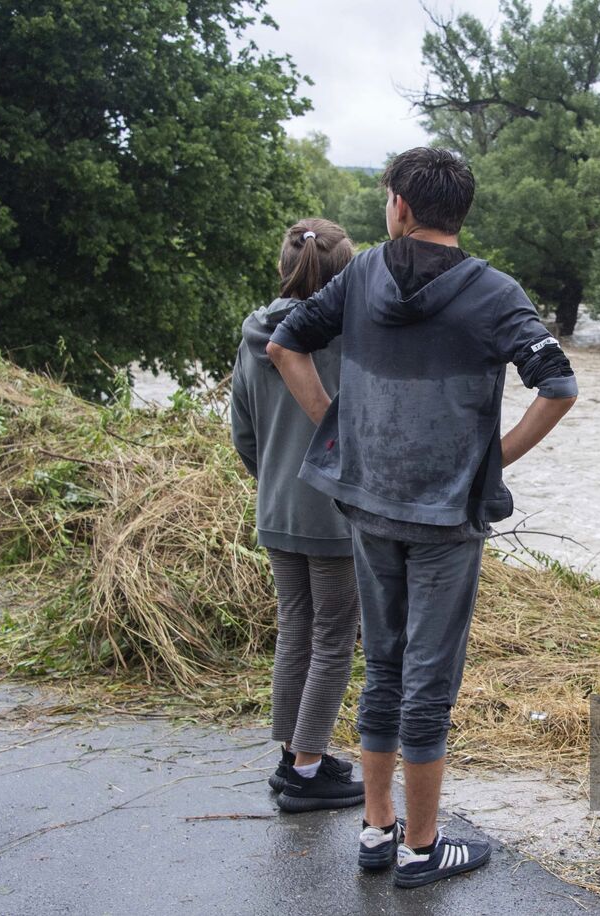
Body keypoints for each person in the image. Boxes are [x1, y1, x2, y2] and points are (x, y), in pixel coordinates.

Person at [265, 147, 578, 888]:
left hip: (368, 506)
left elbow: (286, 345)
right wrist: (491, 461)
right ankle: (420, 848)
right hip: (446, 519)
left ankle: (377, 833)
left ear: (400, 206)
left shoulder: (364, 270)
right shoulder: (496, 292)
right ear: (457, 212)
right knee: (429, 682)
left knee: (384, 671)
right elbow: (557, 386)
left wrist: (336, 435)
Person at [230, 217, 366, 814]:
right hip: (334, 512)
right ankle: (310, 770)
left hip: (278, 505)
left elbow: (242, 427)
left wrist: (272, 482)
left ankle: (293, 756)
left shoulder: (255, 331)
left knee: (296, 628)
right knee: (335, 635)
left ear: (286, 267)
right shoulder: (349, 335)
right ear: (347, 274)